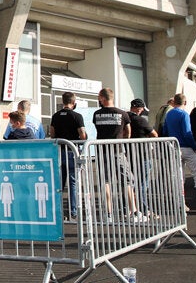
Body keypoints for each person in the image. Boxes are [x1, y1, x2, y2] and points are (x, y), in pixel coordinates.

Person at [93, 88, 145, 222]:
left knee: (106, 182)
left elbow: (97, 129)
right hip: (118, 151)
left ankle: (108, 214)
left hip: (102, 151)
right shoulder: (122, 114)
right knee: (127, 181)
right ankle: (133, 212)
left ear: (102, 98)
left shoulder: (97, 114)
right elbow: (128, 131)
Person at [164, 94, 196, 212]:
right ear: (185, 102)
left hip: (174, 147)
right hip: (186, 148)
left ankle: (180, 204)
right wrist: (194, 146)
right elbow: (187, 132)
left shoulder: (169, 114)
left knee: (178, 177)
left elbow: (165, 130)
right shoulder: (184, 114)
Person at [49, 92, 86, 221]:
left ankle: (59, 211)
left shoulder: (55, 116)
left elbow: (52, 134)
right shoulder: (77, 116)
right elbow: (82, 135)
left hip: (59, 151)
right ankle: (73, 211)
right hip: (72, 151)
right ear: (74, 102)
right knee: (73, 183)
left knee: (59, 183)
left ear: (63, 101)